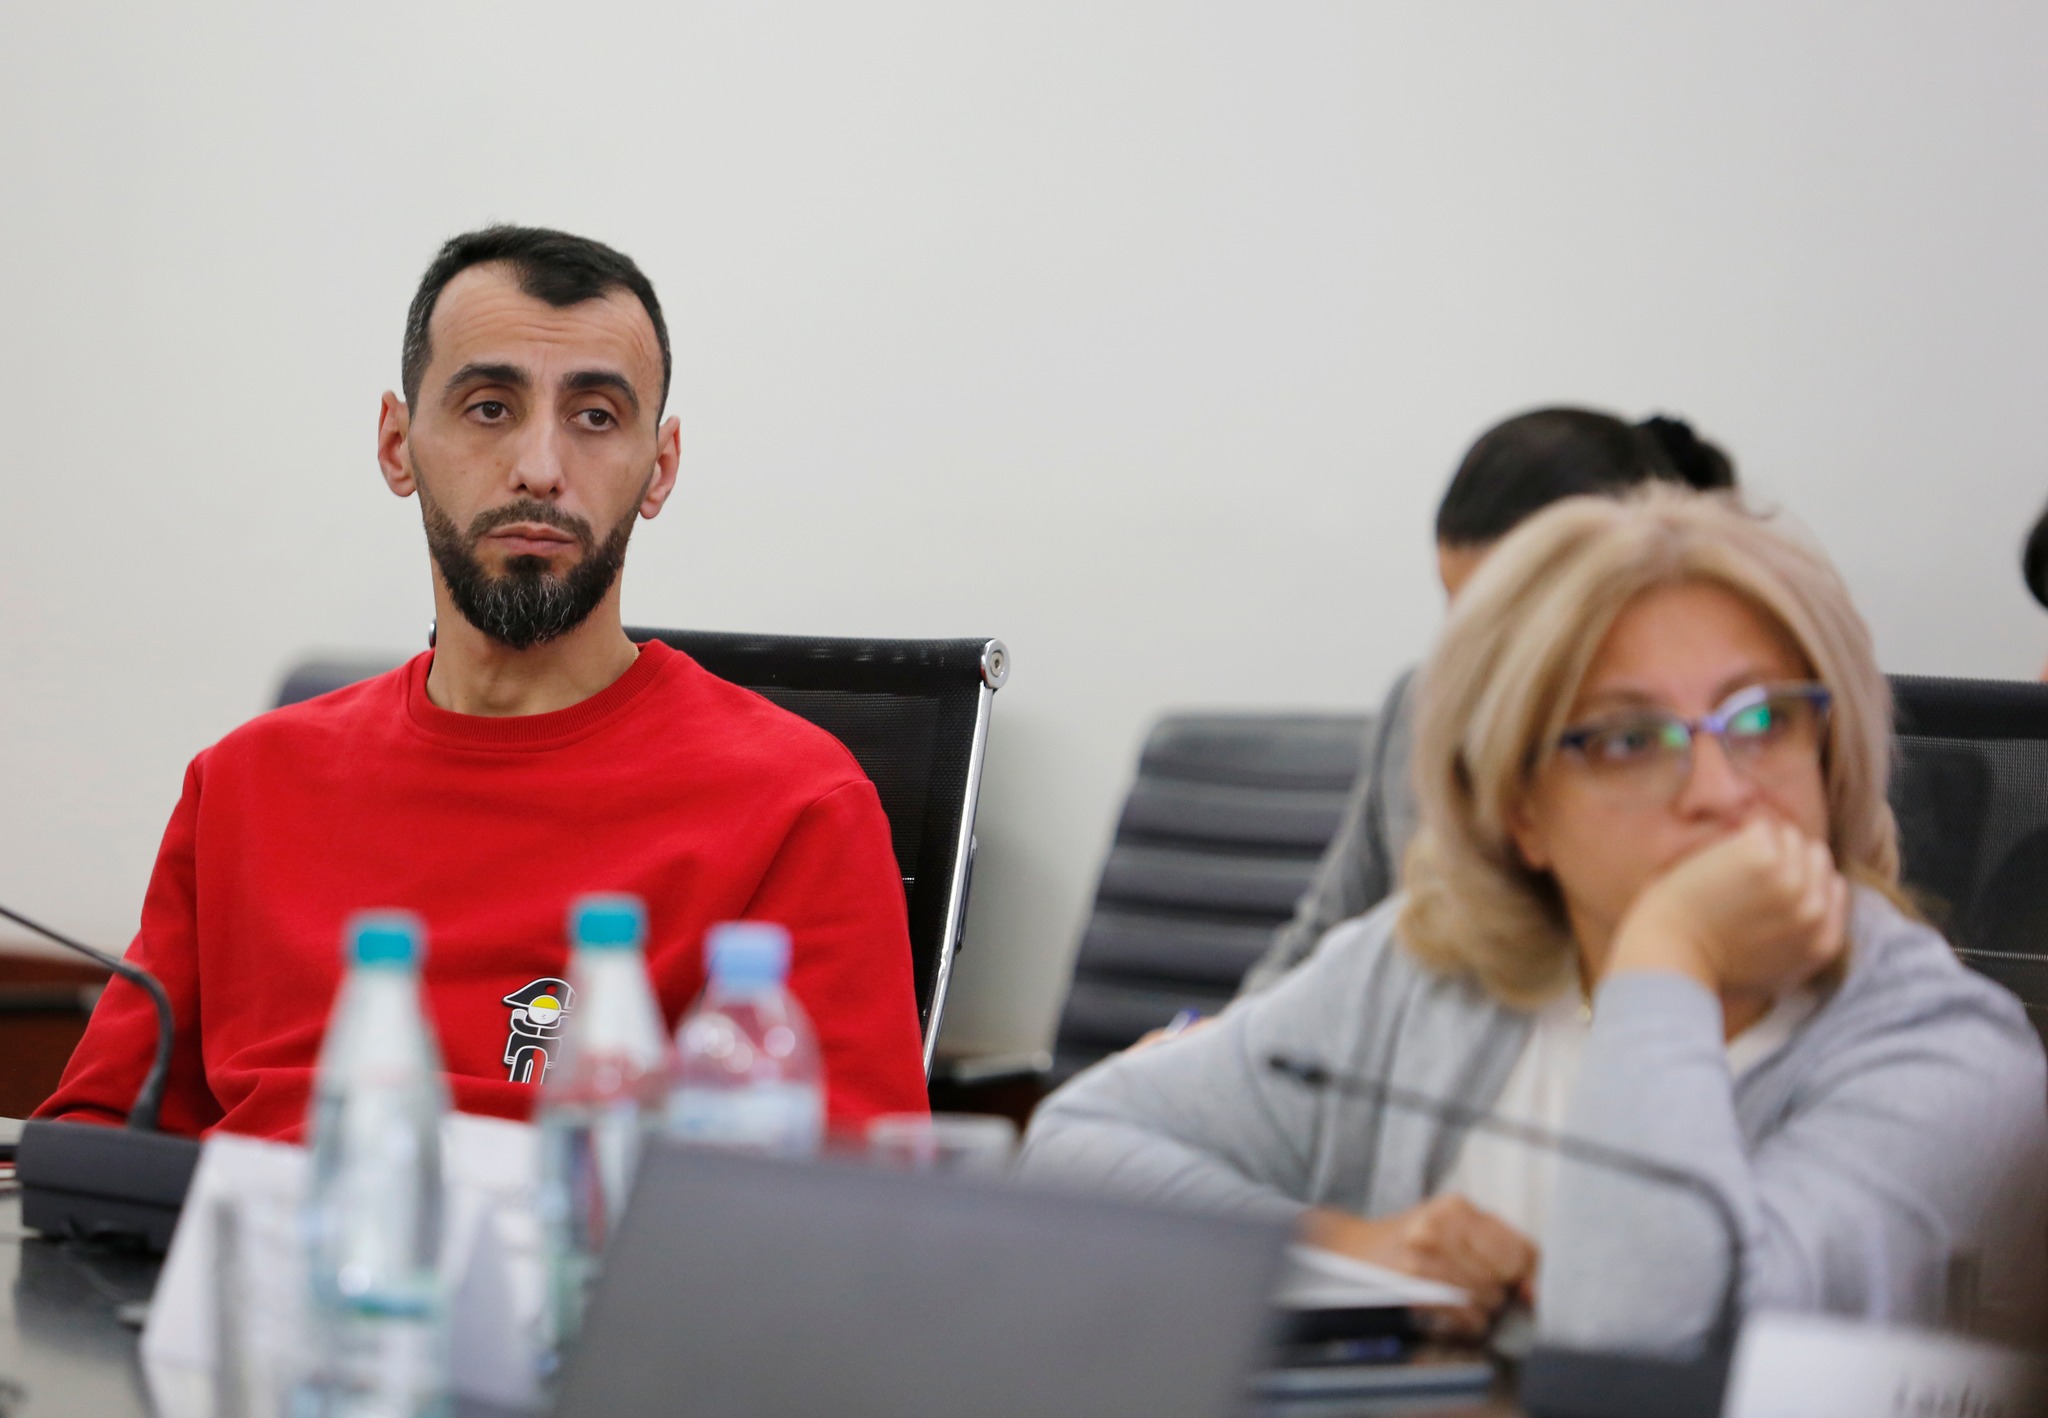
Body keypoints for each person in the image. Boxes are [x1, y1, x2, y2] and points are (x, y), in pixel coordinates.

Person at [1020, 488, 2048, 1353]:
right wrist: (1349, 1244)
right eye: (1628, 739)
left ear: (1830, 757)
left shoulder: (1946, 1057)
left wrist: (1666, 956)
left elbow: (1642, 1349)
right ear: (1519, 809)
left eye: (1763, 719)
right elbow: (1080, 1141)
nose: (1717, 789)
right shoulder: (1433, 970)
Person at [38, 226, 928, 1140]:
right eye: (490, 407)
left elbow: (837, 1201)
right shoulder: (242, 785)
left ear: (659, 470)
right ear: (397, 444)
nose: (540, 470)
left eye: (595, 417)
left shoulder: (797, 807)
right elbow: (91, 1140)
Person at [1241, 408, 1734, 995]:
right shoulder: (1419, 707)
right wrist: (1204, 1041)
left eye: (1504, 617)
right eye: (1460, 613)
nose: (1470, 654)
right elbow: (1320, 941)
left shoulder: (1709, 757)